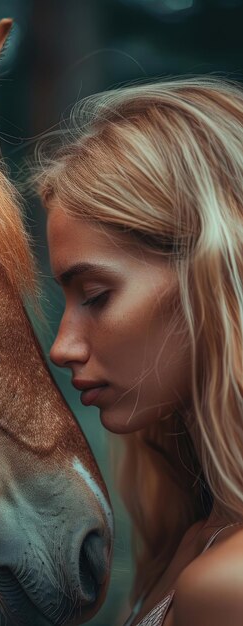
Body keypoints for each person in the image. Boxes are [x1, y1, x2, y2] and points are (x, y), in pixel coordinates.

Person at [35, 76, 243, 626]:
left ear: (214, 277)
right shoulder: (202, 532)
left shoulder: (226, 587)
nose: (62, 347)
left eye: (97, 296)